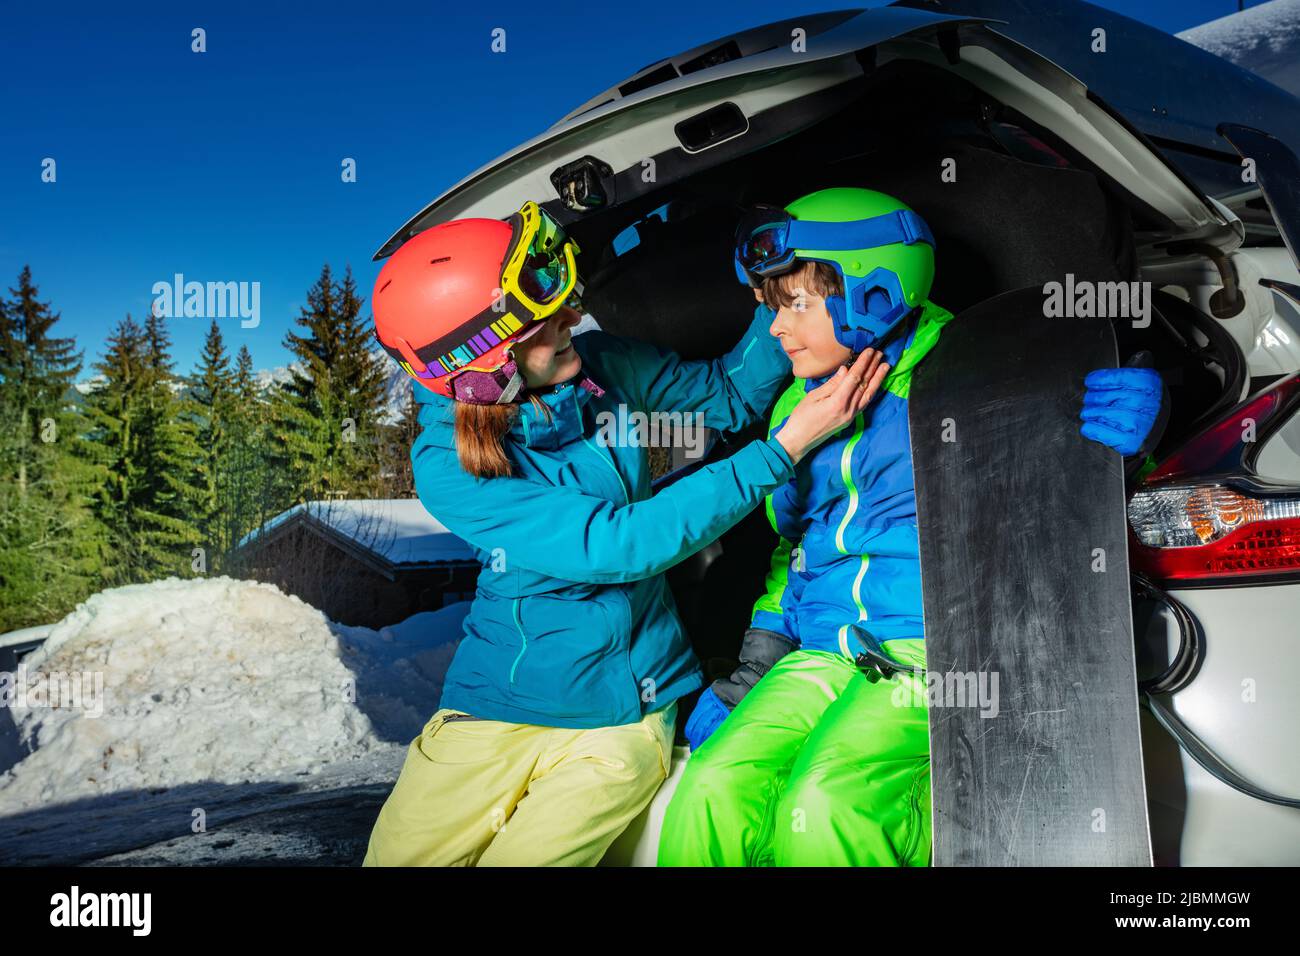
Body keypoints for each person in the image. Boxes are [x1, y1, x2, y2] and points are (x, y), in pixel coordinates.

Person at [361, 200, 886, 866]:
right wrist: (780, 451)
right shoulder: (448, 463)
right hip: (496, 704)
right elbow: (617, 545)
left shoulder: (603, 364)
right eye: (547, 323)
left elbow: (726, 394)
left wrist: (780, 290)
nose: (574, 318)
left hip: (624, 711)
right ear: (490, 362)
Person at [657, 187, 1166, 867]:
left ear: (872, 291)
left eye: (795, 304)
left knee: (829, 808)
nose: (776, 330)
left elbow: (1062, 504)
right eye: (772, 307)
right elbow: (795, 552)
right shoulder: (795, 405)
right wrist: (755, 665)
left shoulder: (982, 369)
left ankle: (945, 830)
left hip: (935, 652)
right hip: (819, 651)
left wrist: (1139, 445)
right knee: (711, 789)